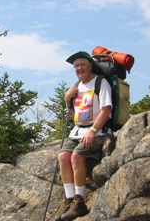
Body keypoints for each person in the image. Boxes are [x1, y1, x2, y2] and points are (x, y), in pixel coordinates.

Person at [54, 51, 112, 221]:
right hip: (78, 130)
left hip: (98, 130)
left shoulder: (101, 83)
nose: (79, 68)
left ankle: (79, 203)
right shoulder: (76, 87)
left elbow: (106, 108)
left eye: (82, 65)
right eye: (76, 66)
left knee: (76, 157)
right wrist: (67, 101)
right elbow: (75, 117)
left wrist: (93, 131)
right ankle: (69, 199)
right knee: (63, 156)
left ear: (90, 66)